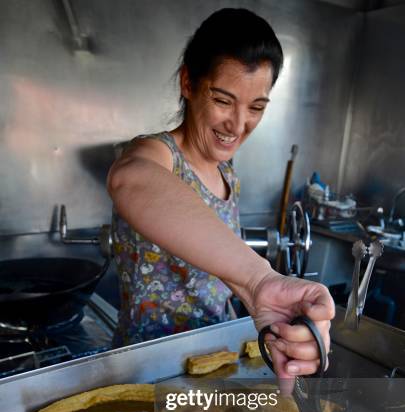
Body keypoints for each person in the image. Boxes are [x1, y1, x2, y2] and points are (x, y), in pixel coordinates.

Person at [107, 8, 335, 384]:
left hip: (218, 358)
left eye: (256, 107)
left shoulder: (228, 173)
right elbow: (131, 180)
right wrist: (260, 280)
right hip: (150, 370)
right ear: (188, 83)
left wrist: (261, 303)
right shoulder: (156, 155)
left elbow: (223, 266)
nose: (238, 123)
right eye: (223, 100)